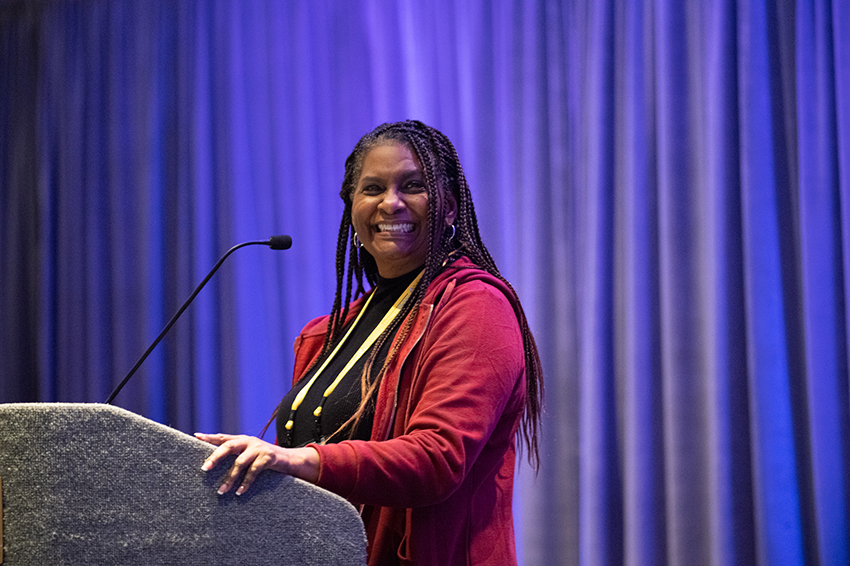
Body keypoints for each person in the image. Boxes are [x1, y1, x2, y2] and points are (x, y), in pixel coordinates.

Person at [195, 120, 543, 566]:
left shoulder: (476, 307)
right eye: (373, 188)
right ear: (353, 207)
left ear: (450, 208)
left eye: (413, 186)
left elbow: (437, 458)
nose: (391, 203)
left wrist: (300, 460)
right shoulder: (327, 333)